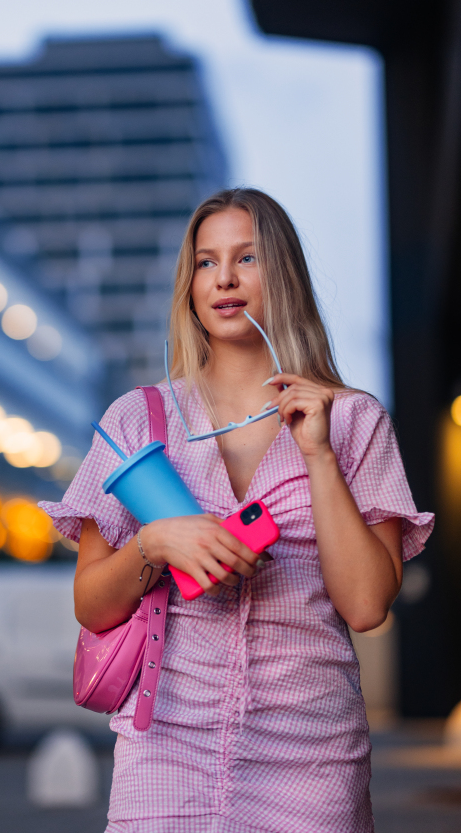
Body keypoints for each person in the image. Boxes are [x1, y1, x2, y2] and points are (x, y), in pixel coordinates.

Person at [41, 188, 434, 833]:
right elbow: (91, 605)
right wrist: (154, 545)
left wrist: (319, 455)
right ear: (189, 285)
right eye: (205, 262)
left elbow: (366, 607)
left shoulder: (353, 419)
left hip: (312, 755)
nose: (223, 278)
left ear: (282, 276)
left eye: (246, 258)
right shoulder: (137, 420)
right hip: (165, 748)